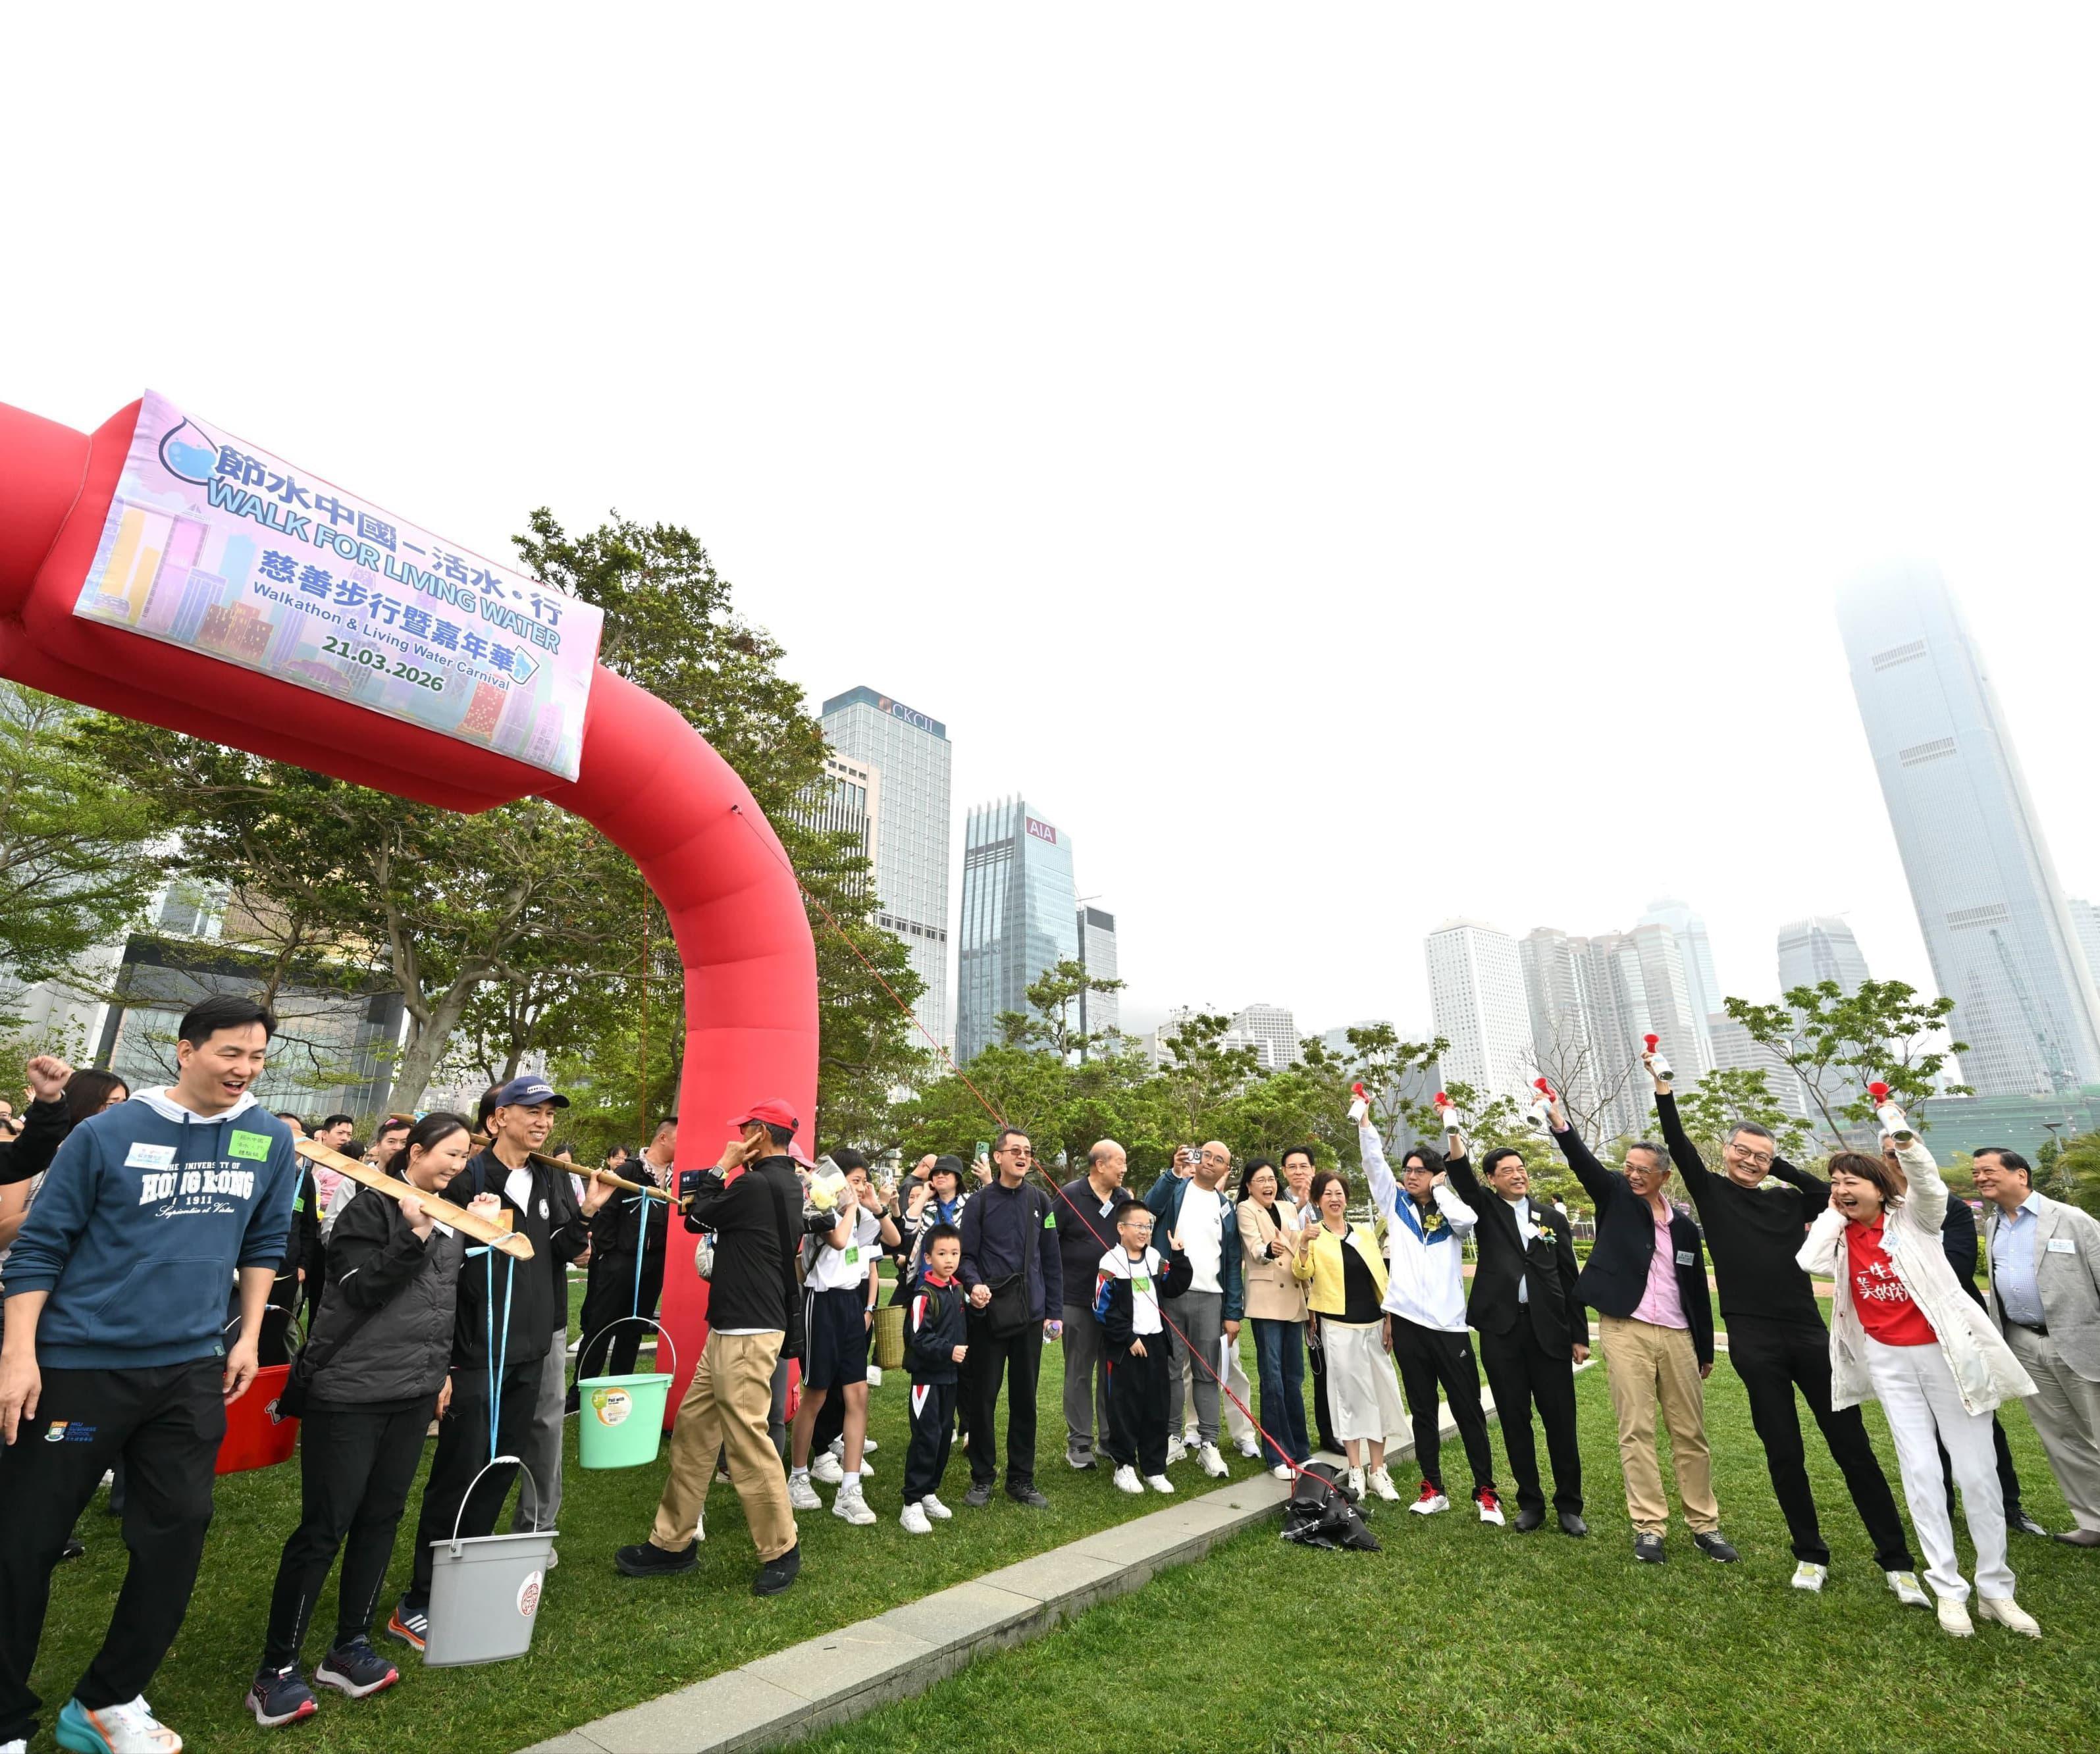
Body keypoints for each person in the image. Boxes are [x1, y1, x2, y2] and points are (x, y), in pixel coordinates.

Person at [0, 994, 298, 1754]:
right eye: (231, 1053)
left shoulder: (266, 1138)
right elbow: (39, 1248)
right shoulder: (105, 1133)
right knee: (25, 1542)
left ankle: (105, 1701)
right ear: (185, 1049)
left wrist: (248, 1335)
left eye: (258, 1056)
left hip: (190, 1368)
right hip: (80, 1366)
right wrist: (19, 1353)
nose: (246, 1069)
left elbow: (265, 1237)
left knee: (177, 1533)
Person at [246, 1114, 500, 1727]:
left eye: (465, 1156)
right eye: (448, 1153)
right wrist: (413, 1235)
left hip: (412, 1394)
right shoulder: (369, 1209)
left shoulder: (452, 1217)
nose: (457, 1165)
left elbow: (445, 1307)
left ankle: (348, 1644)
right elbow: (359, 1289)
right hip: (350, 1392)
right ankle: (277, 1668)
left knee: (382, 1517)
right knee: (325, 1525)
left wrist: (441, 1370)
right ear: (414, 1152)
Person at [1650, 1066, 1924, 1600]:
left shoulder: (1786, 1199)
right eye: (1743, 1151)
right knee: (1784, 1449)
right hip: (1752, 1337)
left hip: (1806, 1331)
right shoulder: (1709, 1191)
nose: (1751, 1161)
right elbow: (1677, 1141)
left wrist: (1784, 1167)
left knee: (1853, 1447)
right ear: (1726, 1151)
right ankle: (1809, 1553)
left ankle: (1896, 1559)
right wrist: (1665, 1091)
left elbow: (1830, 1191)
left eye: (1762, 1155)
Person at [1798, 1110, 2040, 1639]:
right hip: (1889, 1362)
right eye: (1835, 1182)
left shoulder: (1916, 1218)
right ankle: (1949, 1589)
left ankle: (1997, 1589)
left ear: (1880, 1186)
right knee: (1921, 1473)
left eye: (1850, 1181)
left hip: (1946, 1356)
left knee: (1976, 1472)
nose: (1840, 1188)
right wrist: (1837, 1211)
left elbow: (1927, 1182)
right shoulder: (1840, 1234)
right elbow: (1808, 1259)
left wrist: (1900, 1133)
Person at [390, 1077, 608, 1647]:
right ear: (497, 1119)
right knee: (460, 1469)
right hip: (475, 1351)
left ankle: (464, 1578)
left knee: (505, 1465)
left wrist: (587, 1211)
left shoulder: (549, 1176)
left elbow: (561, 1248)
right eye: (530, 1111)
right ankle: (419, 1595)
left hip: (532, 1349)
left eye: (548, 1114)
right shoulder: (468, 1179)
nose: (542, 1122)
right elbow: (438, 1268)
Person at [618, 1100, 806, 1595]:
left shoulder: (754, 1182)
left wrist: (722, 1165)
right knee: (695, 1429)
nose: (738, 1136)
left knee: (746, 1439)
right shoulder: (787, 1182)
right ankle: (672, 1541)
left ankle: (781, 1548)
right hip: (736, 1325)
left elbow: (694, 1215)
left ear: (761, 1134)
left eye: (744, 1130)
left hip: (745, 1329)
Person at [1546, 1096, 1734, 1564]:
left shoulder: (1687, 1230)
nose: (1632, 1174)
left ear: (1664, 1176)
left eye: (1642, 1169)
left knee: (1690, 1432)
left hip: (1677, 1336)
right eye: (1628, 1166)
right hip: (1625, 1329)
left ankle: (1704, 1525)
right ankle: (1649, 1527)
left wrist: (1705, 1347)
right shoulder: (1614, 1198)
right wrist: (1560, 1125)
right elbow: (1584, 1163)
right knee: (1637, 1430)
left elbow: (1695, 1291)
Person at [1440, 1116, 1588, 1535]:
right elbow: (1461, 1175)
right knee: (1513, 1418)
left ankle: (1569, 1506)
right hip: (1502, 1332)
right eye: (1506, 1171)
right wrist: (1452, 1129)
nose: (1517, 1175)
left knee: (1561, 1419)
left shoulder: (1550, 1218)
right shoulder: (1484, 1208)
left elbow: (1569, 1279)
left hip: (1550, 1332)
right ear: (1492, 1179)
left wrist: (1579, 1335)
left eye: (1521, 1169)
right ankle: (1531, 1503)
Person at [1356, 1115, 1500, 1523]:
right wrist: (1366, 1125)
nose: (1410, 1177)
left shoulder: (1451, 1210)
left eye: (1420, 1171)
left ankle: (1486, 1492)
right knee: (1422, 1410)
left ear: (1436, 1175)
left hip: (1449, 1326)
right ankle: (1433, 1487)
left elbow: (1468, 1222)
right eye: (1408, 1171)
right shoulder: (1396, 1203)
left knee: (1468, 1409)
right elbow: (1373, 1166)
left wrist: (1444, 1189)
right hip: (1407, 1323)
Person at [1975, 1147, 2100, 1549]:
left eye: (1988, 1171)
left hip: (2083, 1341)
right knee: (2061, 1437)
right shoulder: (1994, 1226)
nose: (1980, 1178)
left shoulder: (2071, 1219)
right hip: (2026, 1343)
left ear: (2021, 1175)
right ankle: (2093, 1521)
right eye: (1977, 1173)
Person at [958, 1127, 1063, 1509]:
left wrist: (1054, 1312)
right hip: (989, 1314)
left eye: (1028, 1152)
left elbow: (1051, 1259)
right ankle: (982, 1477)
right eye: (1015, 1150)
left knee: (1025, 1399)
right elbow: (965, 1257)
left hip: (1031, 1315)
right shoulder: (980, 1203)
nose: (1023, 1157)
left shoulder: (1042, 1202)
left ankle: (1022, 1478)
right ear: (998, 1157)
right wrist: (974, 1285)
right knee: (983, 1398)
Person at [1933, 1168, 2041, 1535]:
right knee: (1922, 1429)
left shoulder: (1951, 1209)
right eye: (1888, 1156)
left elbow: (1957, 1269)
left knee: (1982, 1419)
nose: (1895, 1162)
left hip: (1959, 1331)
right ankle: (1940, 1509)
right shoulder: (1880, 1210)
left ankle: (2008, 1506)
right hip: (1905, 1336)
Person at [1290, 1169, 1406, 1499]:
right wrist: (1302, 1245)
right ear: (1317, 1200)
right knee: (1348, 1398)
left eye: (1339, 1192)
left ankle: (1378, 1470)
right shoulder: (1314, 1236)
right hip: (1339, 1327)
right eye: (1327, 1193)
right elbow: (1303, 1273)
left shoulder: (1365, 1234)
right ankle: (1355, 1468)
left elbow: (1381, 1280)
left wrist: (1389, 1318)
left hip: (1373, 1325)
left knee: (1381, 1394)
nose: (1335, 1198)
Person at [786, 1158, 887, 1526]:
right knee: (816, 1394)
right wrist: (849, 1204)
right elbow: (839, 1238)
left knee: (858, 1395)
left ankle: (850, 1488)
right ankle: (798, 1475)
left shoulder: (859, 1213)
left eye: (863, 1181)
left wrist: (874, 1206)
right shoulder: (818, 1208)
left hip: (850, 1304)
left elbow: (888, 1240)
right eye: (854, 1180)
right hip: (821, 1303)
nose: (859, 1188)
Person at [1143, 1139, 1244, 1479]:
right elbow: (1149, 1209)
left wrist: (1233, 1313)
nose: (1211, 1162)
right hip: (1171, 1294)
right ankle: (1172, 1437)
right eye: (1207, 1155)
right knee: (1171, 1369)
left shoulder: (1225, 1208)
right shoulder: (1176, 1190)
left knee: (1207, 1373)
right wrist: (1172, 1172)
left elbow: (1232, 1261)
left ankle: (1209, 1443)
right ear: (1196, 1157)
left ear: (1225, 1170)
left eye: (1220, 1160)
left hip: (1210, 1298)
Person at [571, 1118, 676, 1400]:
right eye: (680, 1138)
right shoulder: (629, 1170)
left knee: (633, 1329)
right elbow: (606, 1214)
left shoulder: (678, 1177)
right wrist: (611, 1253)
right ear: (663, 1138)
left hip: (653, 1265)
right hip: (618, 1261)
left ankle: (619, 1388)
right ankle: (581, 1391)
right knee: (600, 1325)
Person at [1097, 1202, 1193, 1495]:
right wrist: (1127, 1338)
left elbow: (1175, 1285)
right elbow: (1102, 1309)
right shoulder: (1110, 1262)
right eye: (1138, 1225)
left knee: (1156, 1407)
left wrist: (1178, 1255)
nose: (1144, 1231)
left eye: (1148, 1226)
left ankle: (1154, 1467)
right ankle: (1124, 1466)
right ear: (1121, 1228)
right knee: (1125, 1407)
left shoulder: (1154, 1257)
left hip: (1154, 1343)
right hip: (1126, 1347)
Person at [1057, 1140, 1132, 1471]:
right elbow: (1049, 1243)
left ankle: (1109, 1439)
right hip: (1076, 1300)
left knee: (1112, 1371)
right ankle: (1079, 1443)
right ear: (1100, 1165)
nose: (1124, 1168)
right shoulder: (1069, 1196)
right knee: (1078, 1373)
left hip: (1114, 1303)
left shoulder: (1124, 1199)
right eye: (1120, 1162)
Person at [1235, 1158, 1310, 1480]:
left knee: (1294, 1378)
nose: (1268, 1184)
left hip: (1294, 1300)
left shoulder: (1289, 1208)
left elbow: (1299, 1250)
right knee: (1274, 1380)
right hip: (1266, 1304)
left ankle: (1301, 1451)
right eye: (1260, 1180)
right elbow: (1255, 1249)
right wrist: (1269, 1247)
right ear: (1249, 1185)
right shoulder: (1245, 1209)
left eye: (1271, 1179)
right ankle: (1278, 1455)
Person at [900, 1224, 968, 1534]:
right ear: (928, 1257)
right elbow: (917, 1338)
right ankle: (911, 1502)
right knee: (926, 1437)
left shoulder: (957, 1289)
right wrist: (948, 1351)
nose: (949, 1259)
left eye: (954, 1253)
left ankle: (929, 1491)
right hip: (927, 1379)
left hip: (950, 1379)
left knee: (943, 1437)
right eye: (942, 1253)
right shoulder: (923, 1296)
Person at [1280, 1145, 1339, 1455]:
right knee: (1306, 1370)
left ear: (1313, 1170)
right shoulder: (1278, 1205)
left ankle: (1332, 1433)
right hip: (1295, 1296)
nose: (1299, 1172)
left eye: (1304, 1166)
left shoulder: (1324, 1204)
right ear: (1284, 1173)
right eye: (1292, 1167)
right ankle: (1295, 1436)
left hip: (1330, 1295)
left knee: (1332, 1368)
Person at [321, 1116, 411, 1241]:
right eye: (391, 1141)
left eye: (404, 1143)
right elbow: (331, 1224)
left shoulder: (414, 1185)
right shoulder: (357, 1180)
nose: (398, 1147)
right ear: (378, 1145)